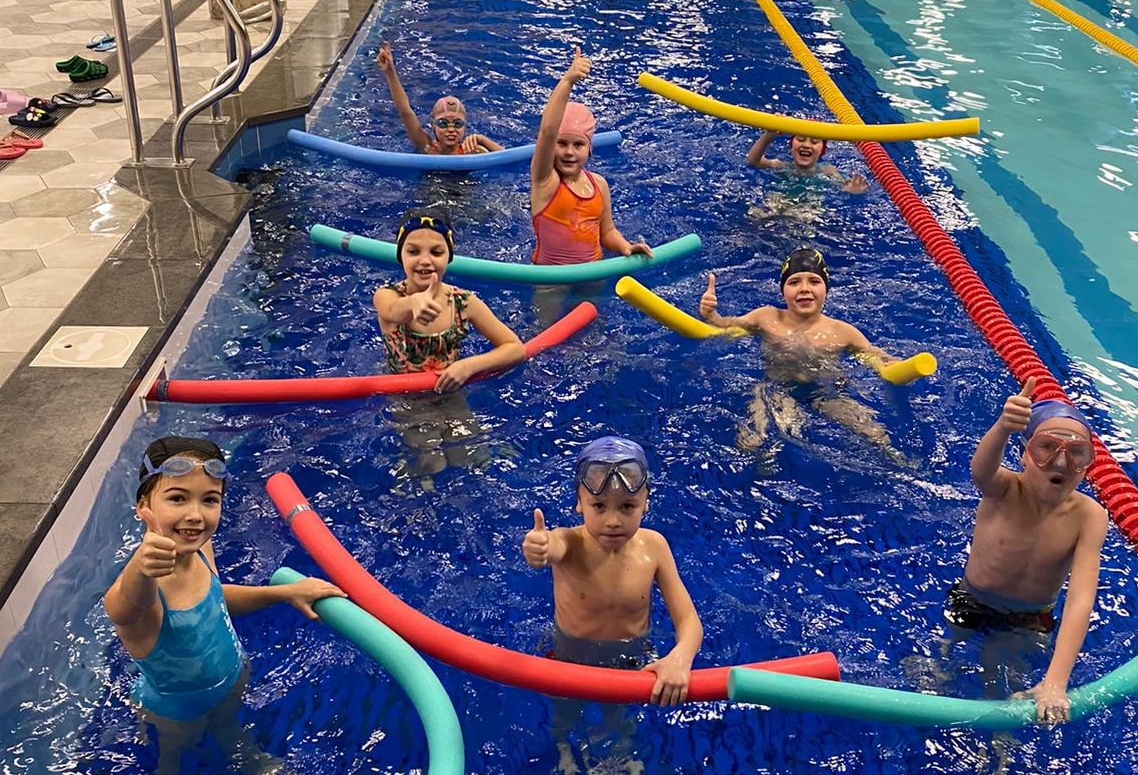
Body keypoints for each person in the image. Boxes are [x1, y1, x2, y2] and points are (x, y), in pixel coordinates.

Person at [104, 437, 344, 775]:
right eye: (178, 498)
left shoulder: (199, 550)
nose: (196, 514)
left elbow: (215, 598)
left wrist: (283, 593)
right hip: (175, 711)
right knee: (172, 771)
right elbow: (122, 606)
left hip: (228, 685)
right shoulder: (145, 590)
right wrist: (139, 567)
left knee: (231, 732)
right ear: (144, 507)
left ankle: (253, 763)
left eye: (209, 500)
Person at [945, 380, 1108, 724]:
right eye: (1046, 447)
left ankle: (999, 743)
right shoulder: (1003, 488)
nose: (1060, 462)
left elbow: (1080, 598)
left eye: (1076, 453)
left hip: (1030, 619)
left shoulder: (1089, 517)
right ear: (1024, 454)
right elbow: (980, 470)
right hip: (971, 600)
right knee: (944, 660)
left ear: (1087, 464)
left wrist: (1055, 683)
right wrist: (1004, 427)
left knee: (1003, 681)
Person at [521, 435, 702, 710]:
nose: (613, 521)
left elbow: (688, 619)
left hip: (629, 665)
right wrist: (540, 547)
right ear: (579, 502)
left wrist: (680, 658)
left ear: (646, 502)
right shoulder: (569, 543)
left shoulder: (655, 547)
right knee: (563, 717)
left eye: (627, 506)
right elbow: (552, 545)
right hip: (569, 662)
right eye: (599, 506)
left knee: (619, 721)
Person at [699, 247, 902, 456]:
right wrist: (711, 314)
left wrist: (892, 364)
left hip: (826, 394)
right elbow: (726, 327)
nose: (804, 289)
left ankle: (898, 462)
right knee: (752, 440)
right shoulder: (766, 318)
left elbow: (874, 355)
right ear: (782, 291)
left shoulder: (842, 332)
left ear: (826, 289)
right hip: (776, 390)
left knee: (875, 434)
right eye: (794, 282)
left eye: (814, 281)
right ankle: (763, 463)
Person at [374, 213, 525, 478]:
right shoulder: (388, 296)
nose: (425, 260)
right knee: (432, 465)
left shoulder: (464, 302)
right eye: (413, 251)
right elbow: (393, 310)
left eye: (436, 252)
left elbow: (515, 347)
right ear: (401, 256)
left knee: (470, 458)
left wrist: (469, 366)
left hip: (451, 390)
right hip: (407, 397)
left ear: (449, 256)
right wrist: (414, 303)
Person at [530, 49, 650, 266]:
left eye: (578, 145)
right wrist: (567, 81)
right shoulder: (546, 181)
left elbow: (607, 232)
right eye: (561, 143)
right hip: (549, 278)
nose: (569, 152)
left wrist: (626, 247)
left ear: (590, 149)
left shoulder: (599, 185)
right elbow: (547, 131)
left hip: (593, 274)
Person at [376, 43, 501, 154]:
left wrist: (481, 139)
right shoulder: (426, 146)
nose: (451, 129)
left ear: (465, 126)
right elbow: (405, 111)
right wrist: (390, 72)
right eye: (443, 123)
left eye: (458, 124)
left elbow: (507, 159)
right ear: (433, 125)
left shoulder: (472, 151)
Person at [746, 131, 869, 194]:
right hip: (778, 203)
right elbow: (753, 162)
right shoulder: (781, 166)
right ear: (791, 147)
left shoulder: (827, 170)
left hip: (808, 212)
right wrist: (768, 136)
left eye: (814, 142)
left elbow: (844, 185)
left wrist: (852, 190)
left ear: (821, 150)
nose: (806, 145)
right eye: (800, 139)